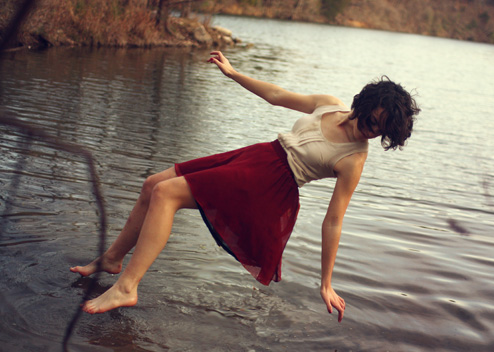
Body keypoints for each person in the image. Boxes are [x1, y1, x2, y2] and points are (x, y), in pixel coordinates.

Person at [70, 51, 420, 322]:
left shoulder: (355, 159)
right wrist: (234, 73)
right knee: (153, 184)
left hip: (270, 185)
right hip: (259, 156)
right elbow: (277, 95)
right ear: (366, 102)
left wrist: (325, 282)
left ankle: (127, 287)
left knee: (166, 194)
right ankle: (114, 259)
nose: (371, 132)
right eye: (373, 121)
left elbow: (334, 220)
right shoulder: (330, 104)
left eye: (381, 132)